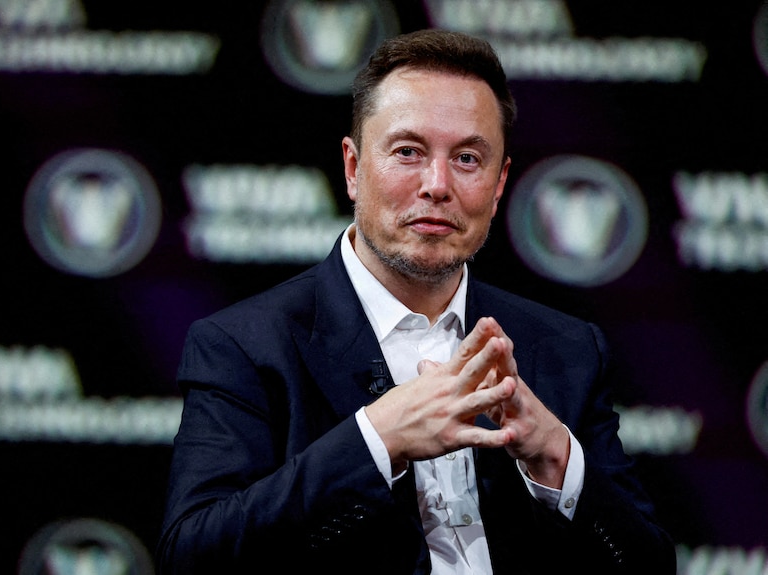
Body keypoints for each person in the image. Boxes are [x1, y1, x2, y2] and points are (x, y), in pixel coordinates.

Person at [157, 29, 675, 574]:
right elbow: (193, 557)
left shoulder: (568, 347)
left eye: (468, 159)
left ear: (500, 185)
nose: (437, 185)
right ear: (354, 168)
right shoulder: (245, 344)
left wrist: (554, 456)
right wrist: (378, 440)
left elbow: (649, 565)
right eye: (408, 151)